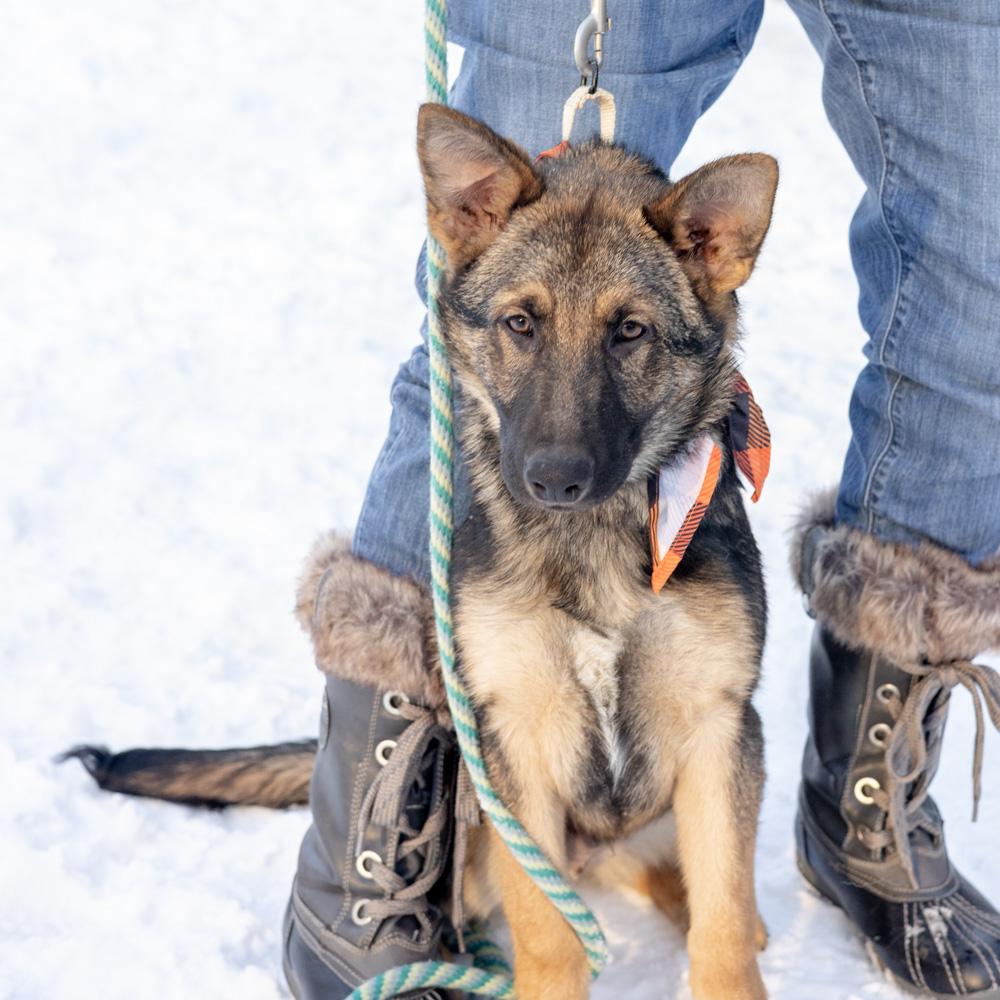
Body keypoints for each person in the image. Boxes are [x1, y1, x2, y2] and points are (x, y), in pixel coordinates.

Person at [281, 2, 1000, 997]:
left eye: (626, 336)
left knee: (982, 263)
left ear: (713, 249)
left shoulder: (690, 279)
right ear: (467, 211)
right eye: (528, 326)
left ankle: (859, 814)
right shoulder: (492, 233)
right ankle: (377, 837)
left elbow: (718, 724)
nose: (563, 439)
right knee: (462, 341)